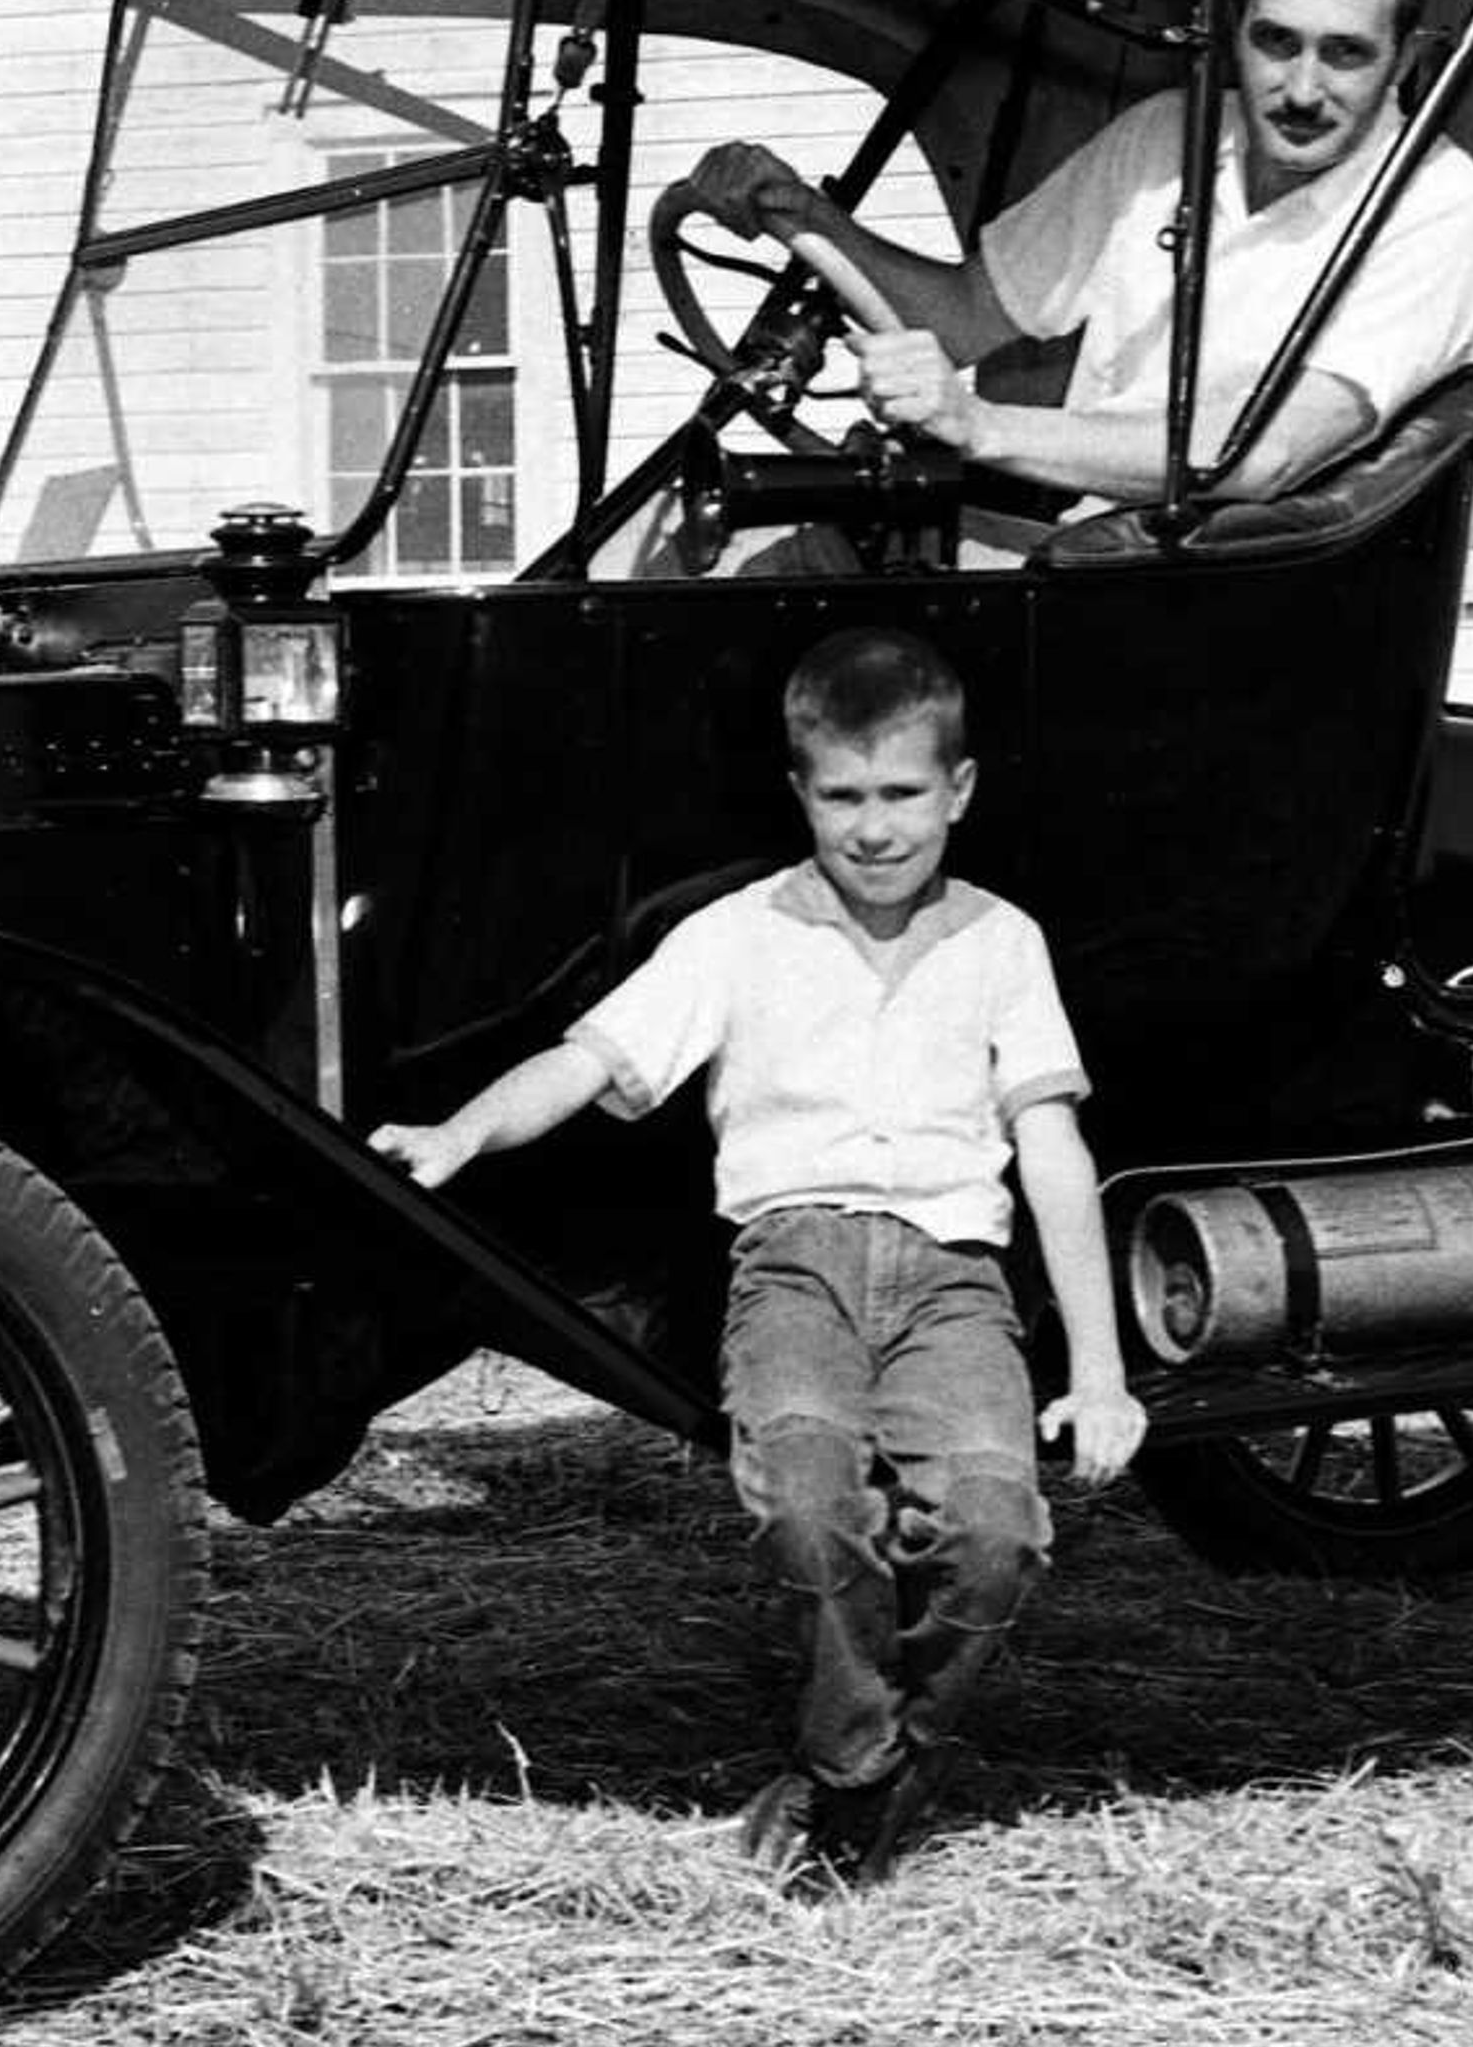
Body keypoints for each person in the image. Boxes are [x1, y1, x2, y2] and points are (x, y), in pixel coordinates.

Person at [368, 625, 1143, 1887]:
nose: (875, 828)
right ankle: (853, 1762)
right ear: (802, 794)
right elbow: (591, 1060)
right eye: (844, 796)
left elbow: (1053, 1152)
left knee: (997, 1534)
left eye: (903, 794)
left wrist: (1101, 1372)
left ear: (960, 790)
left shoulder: (1003, 942)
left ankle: (890, 1753)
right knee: (801, 1502)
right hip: (796, 1266)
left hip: (954, 1281)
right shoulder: (735, 933)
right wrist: (463, 1130)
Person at [690, 0, 1473, 539]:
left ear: (1409, 58)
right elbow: (966, 318)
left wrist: (978, 424)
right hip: (1086, 549)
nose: (1300, 88)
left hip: (1243, 602)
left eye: (1345, 52)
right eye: (1276, 42)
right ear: (1230, 36)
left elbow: (1264, 454)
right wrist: (807, 217)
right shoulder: (1164, 136)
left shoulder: (1439, 204)